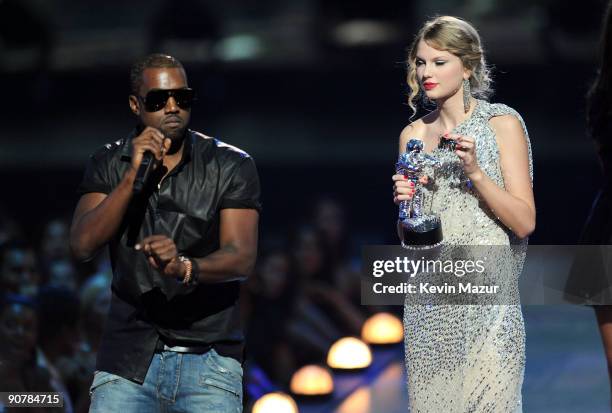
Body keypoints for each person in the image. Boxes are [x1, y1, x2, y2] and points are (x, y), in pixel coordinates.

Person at [69, 53, 261, 412]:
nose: (172, 107)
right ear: (135, 105)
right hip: (127, 360)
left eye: (182, 97)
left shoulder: (230, 164)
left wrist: (184, 267)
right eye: (159, 100)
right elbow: (82, 244)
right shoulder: (108, 163)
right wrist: (131, 178)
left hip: (208, 358)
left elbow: (241, 256)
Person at [392, 16, 535, 412]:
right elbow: (412, 240)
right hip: (431, 305)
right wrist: (407, 208)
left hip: (490, 304)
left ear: (468, 66)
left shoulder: (501, 123)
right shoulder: (413, 136)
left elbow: (524, 221)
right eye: (421, 62)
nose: (426, 73)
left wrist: (475, 172)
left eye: (440, 62)